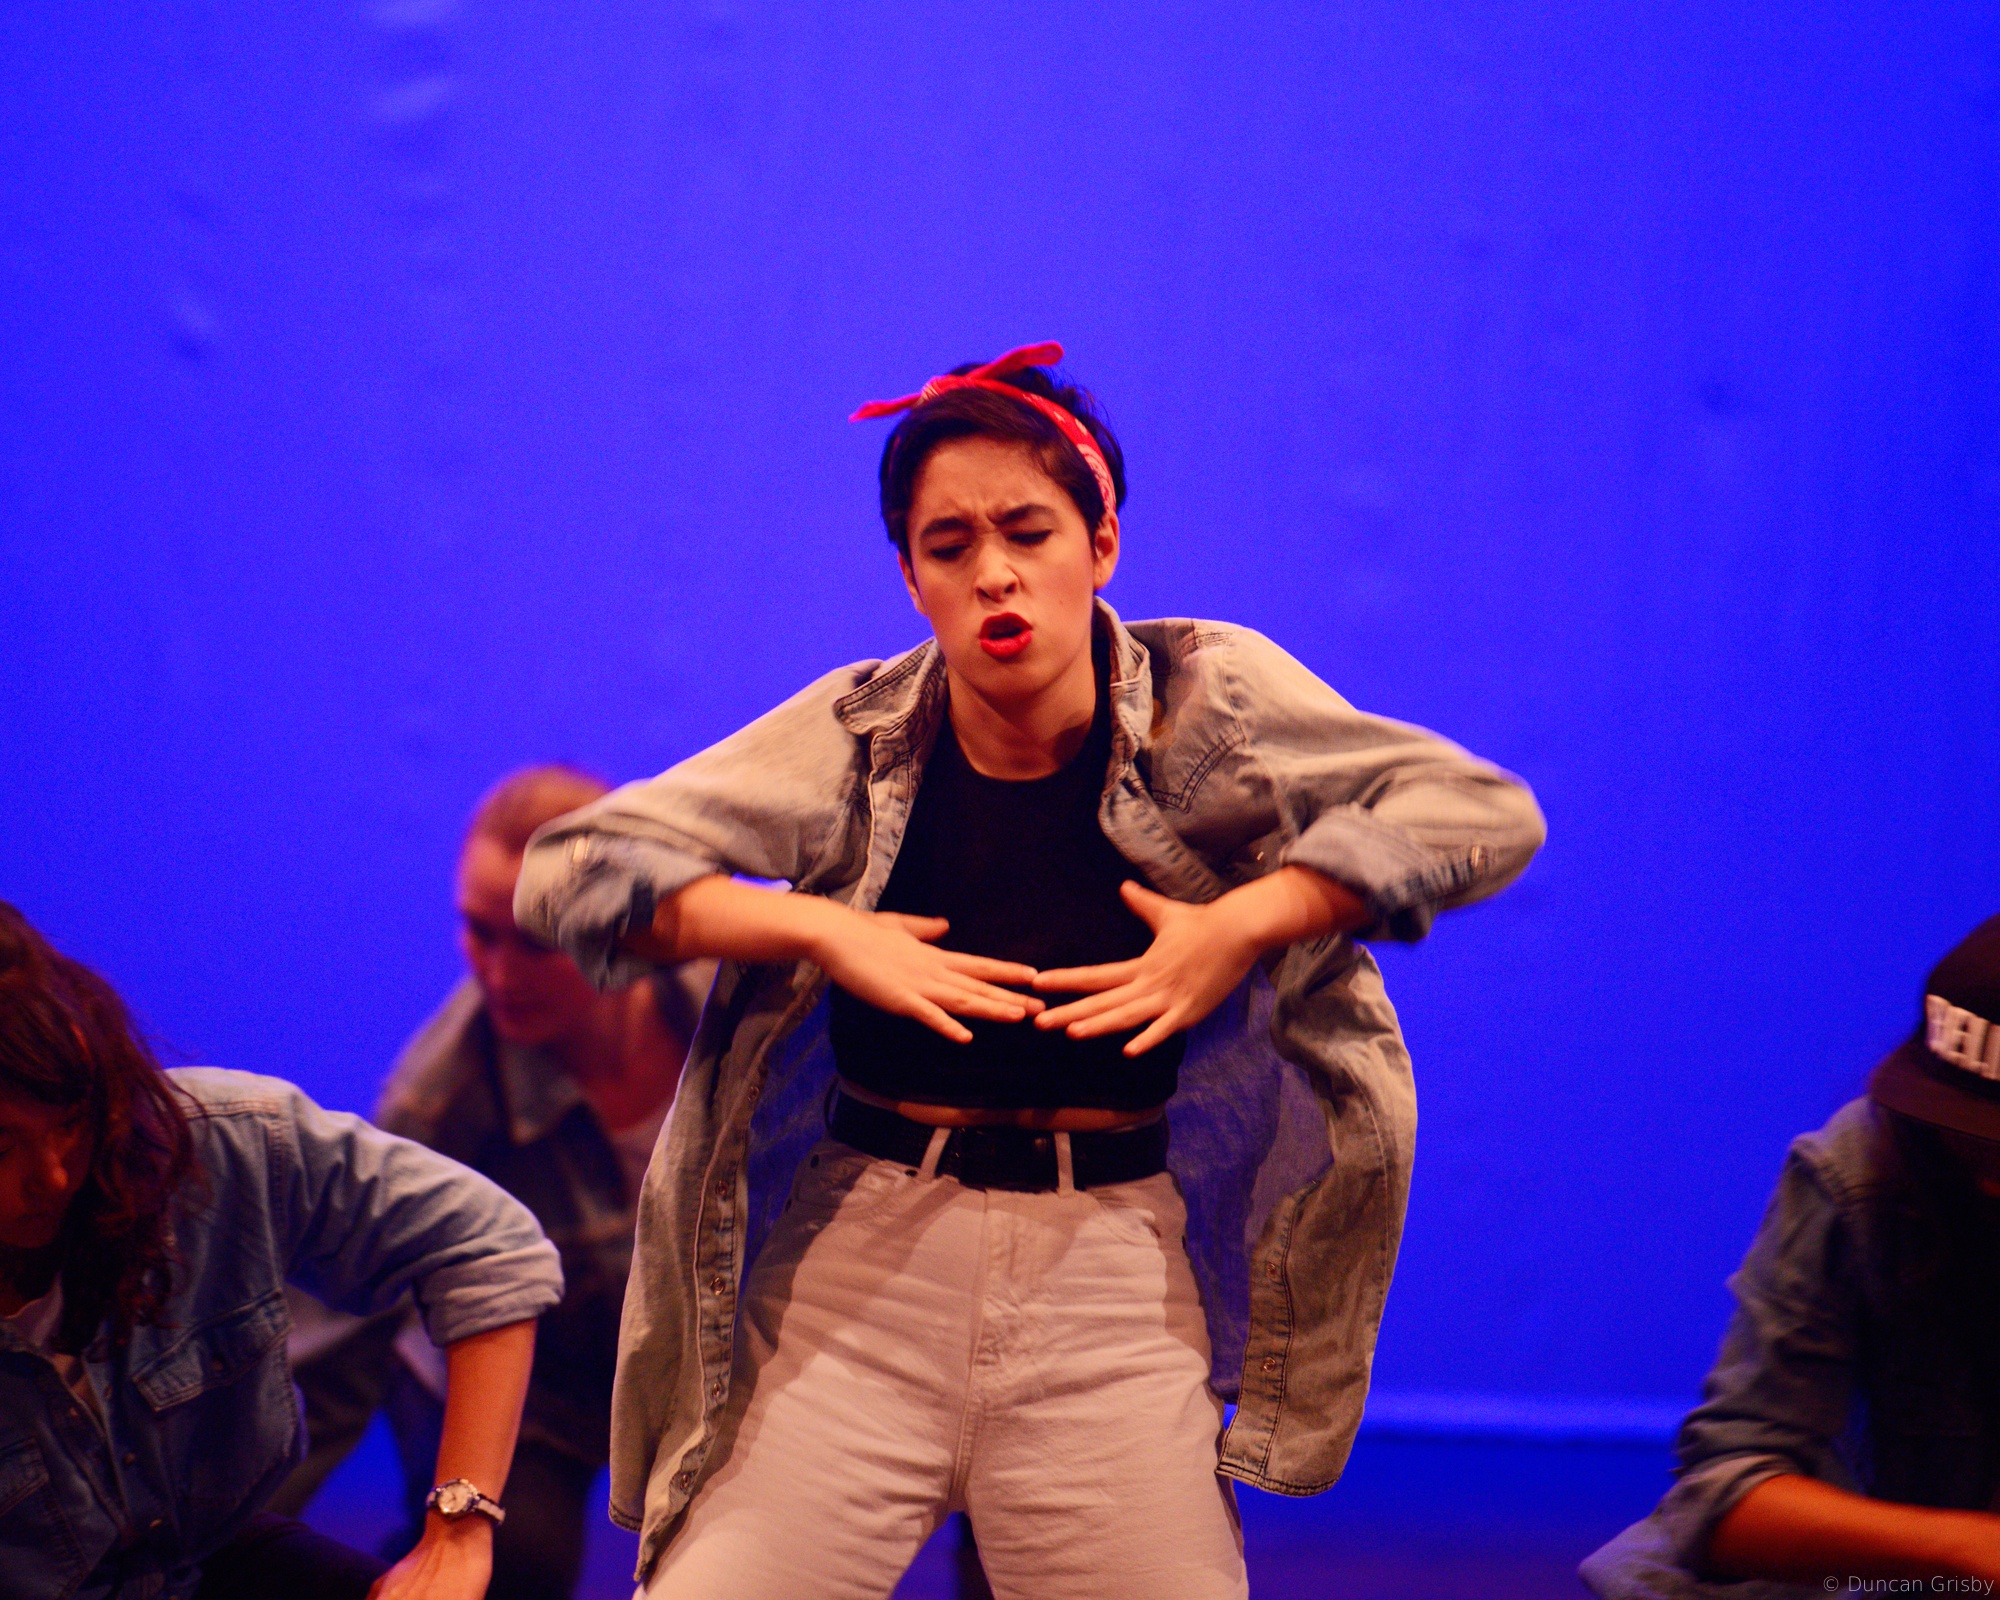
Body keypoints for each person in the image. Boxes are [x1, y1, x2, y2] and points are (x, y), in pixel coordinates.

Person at [514, 342, 1547, 1599]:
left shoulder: (1203, 699)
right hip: (858, 1274)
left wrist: (1247, 920)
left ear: (1100, 542)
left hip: (1107, 1282)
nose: (993, 573)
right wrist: (818, 931)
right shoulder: (860, 732)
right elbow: (568, 872)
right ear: (910, 579)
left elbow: (1480, 814)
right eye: (948, 546)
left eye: (1028, 531)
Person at [0, 900, 563, 1600]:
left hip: (206, 1560)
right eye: (2, 1146)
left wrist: (459, 1527)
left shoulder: (205, 1143)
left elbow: (490, 1247)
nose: (53, 1177)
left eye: (70, 1123)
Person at [274, 766, 710, 1600]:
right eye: (480, 933)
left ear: (621, 924)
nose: (502, 974)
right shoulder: (438, 1102)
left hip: (686, 1367)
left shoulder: (728, 1008)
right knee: (515, 1563)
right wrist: (211, 1546)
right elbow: (334, 1347)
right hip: (516, 1376)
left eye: (537, 939)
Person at [1582, 913, 2000, 1597]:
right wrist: (1970, 1549)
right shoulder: (1865, 1167)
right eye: (1967, 1139)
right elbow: (1726, 1496)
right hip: (1914, 1584)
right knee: (1657, 1574)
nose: (1988, 1182)